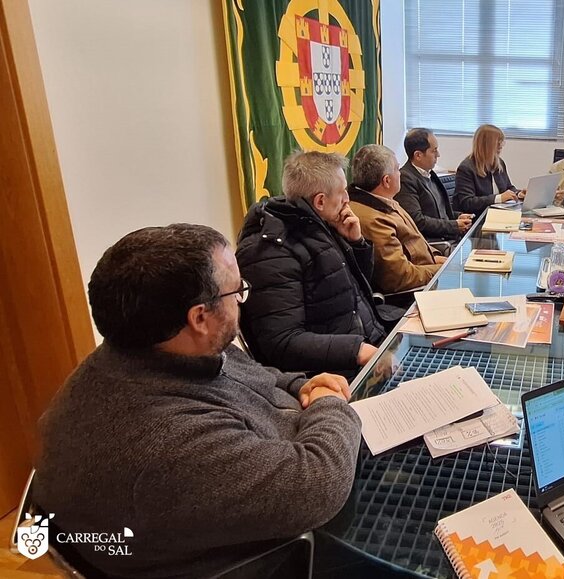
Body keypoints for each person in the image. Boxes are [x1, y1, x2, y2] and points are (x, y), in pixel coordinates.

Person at [33, 224, 362, 577]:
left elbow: (255, 374)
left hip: (287, 470)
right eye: (238, 290)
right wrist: (328, 400)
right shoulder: (163, 442)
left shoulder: (152, 348)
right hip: (278, 553)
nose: (241, 299)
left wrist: (302, 384)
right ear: (200, 317)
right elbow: (317, 483)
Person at [236, 150, 389, 376]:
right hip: (338, 372)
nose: (348, 199)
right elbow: (282, 342)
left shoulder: (318, 223)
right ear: (320, 200)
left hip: (373, 342)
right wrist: (357, 350)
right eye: (343, 192)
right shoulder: (269, 252)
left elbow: (353, 290)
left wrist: (356, 243)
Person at [349, 144, 445, 294]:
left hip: (426, 275)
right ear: (386, 181)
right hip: (413, 295)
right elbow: (400, 278)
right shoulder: (373, 220)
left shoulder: (383, 200)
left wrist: (438, 258)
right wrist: (443, 269)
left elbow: (416, 243)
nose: (400, 173)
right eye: (397, 169)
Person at [396, 128, 473, 241]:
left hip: (448, 237)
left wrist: (457, 217)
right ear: (418, 155)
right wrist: (453, 225)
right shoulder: (405, 179)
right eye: (434, 151)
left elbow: (439, 212)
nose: (438, 154)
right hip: (433, 243)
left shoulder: (430, 174)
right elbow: (417, 221)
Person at [453, 124, 522, 215]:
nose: (501, 146)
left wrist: (518, 194)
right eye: (498, 142)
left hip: (499, 214)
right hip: (478, 218)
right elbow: (467, 202)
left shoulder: (499, 163)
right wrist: (498, 198)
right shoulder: (466, 168)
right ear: (487, 144)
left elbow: (508, 188)